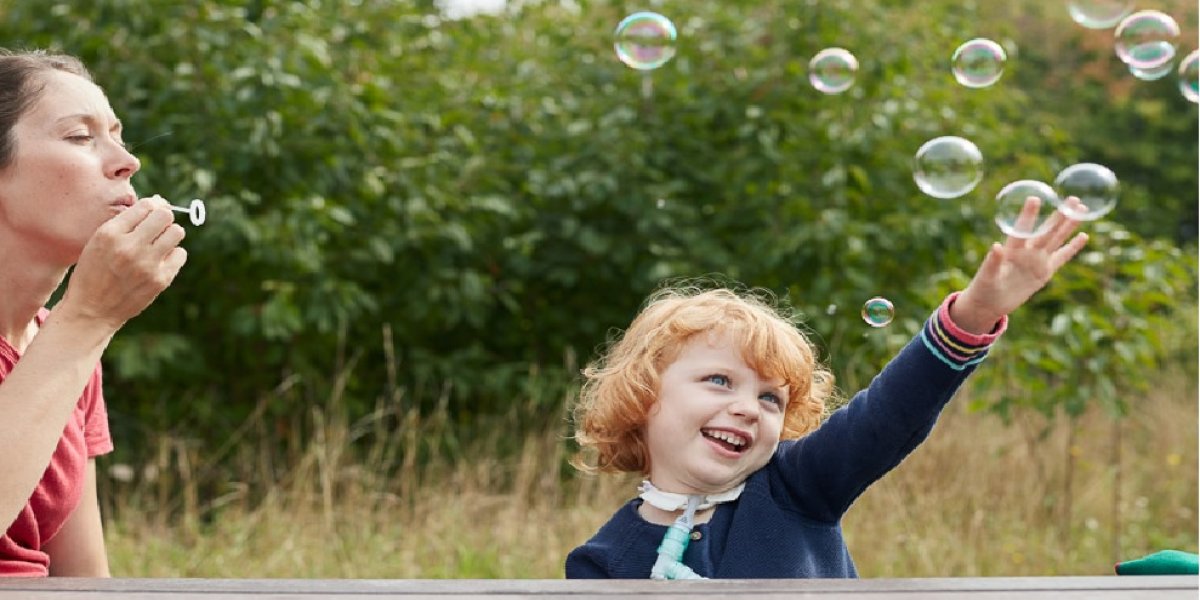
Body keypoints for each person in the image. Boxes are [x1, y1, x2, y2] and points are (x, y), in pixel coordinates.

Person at [565, 199, 1089, 579]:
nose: (747, 408)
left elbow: (889, 413)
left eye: (771, 398)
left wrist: (975, 313)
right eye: (719, 380)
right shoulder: (602, 560)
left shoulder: (797, 485)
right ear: (645, 394)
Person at [0, 49, 188, 577]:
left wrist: (84, 326)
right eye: (81, 138)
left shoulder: (62, 340)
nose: (129, 161)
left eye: (118, 135)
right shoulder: (77, 331)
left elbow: (86, 582)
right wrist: (87, 320)